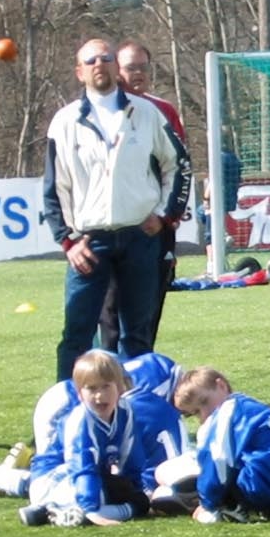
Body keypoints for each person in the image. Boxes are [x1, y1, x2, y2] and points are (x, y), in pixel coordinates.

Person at [41, 38, 191, 381]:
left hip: (139, 235)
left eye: (106, 58)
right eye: (90, 60)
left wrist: (165, 215)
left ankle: (136, 418)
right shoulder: (64, 122)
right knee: (77, 334)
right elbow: (54, 188)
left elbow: (179, 165)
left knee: (137, 336)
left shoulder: (146, 112)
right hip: (89, 243)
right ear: (79, 72)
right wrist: (68, 241)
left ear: (114, 67)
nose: (99, 64)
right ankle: (68, 414)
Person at [101, 39, 189, 351]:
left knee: (148, 310)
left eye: (143, 67)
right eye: (130, 67)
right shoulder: (100, 111)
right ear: (116, 70)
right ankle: (108, 381)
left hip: (154, 228)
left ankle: (141, 378)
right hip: (113, 227)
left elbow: (180, 166)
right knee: (110, 312)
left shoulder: (163, 111)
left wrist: (169, 214)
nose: (137, 73)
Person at [18, 350, 151, 527]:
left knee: (138, 500)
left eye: (106, 386)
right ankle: (54, 511)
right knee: (102, 495)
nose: (99, 395)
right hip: (55, 478)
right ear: (79, 393)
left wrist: (134, 488)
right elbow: (82, 465)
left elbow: (131, 456)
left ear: (119, 388)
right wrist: (90, 508)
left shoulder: (126, 412)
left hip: (90, 478)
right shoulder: (80, 419)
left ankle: (57, 513)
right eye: (92, 388)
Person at [171, 367, 270, 522]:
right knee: (194, 482)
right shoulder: (254, 406)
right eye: (195, 412)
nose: (204, 415)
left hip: (256, 486)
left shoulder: (227, 413)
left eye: (204, 402)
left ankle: (233, 510)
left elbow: (218, 460)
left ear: (221, 385)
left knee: (196, 484)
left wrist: (208, 504)